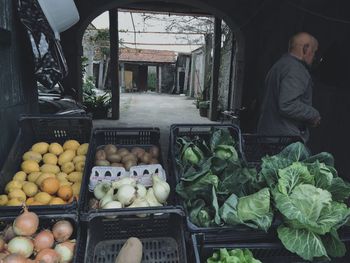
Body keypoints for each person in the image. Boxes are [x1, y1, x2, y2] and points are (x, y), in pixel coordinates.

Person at [257, 32, 321, 142]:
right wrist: (313, 115)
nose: (314, 57)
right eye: (314, 51)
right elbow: (287, 105)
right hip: (283, 141)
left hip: (268, 136)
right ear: (305, 49)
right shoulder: (296, 70)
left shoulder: (279, 65)